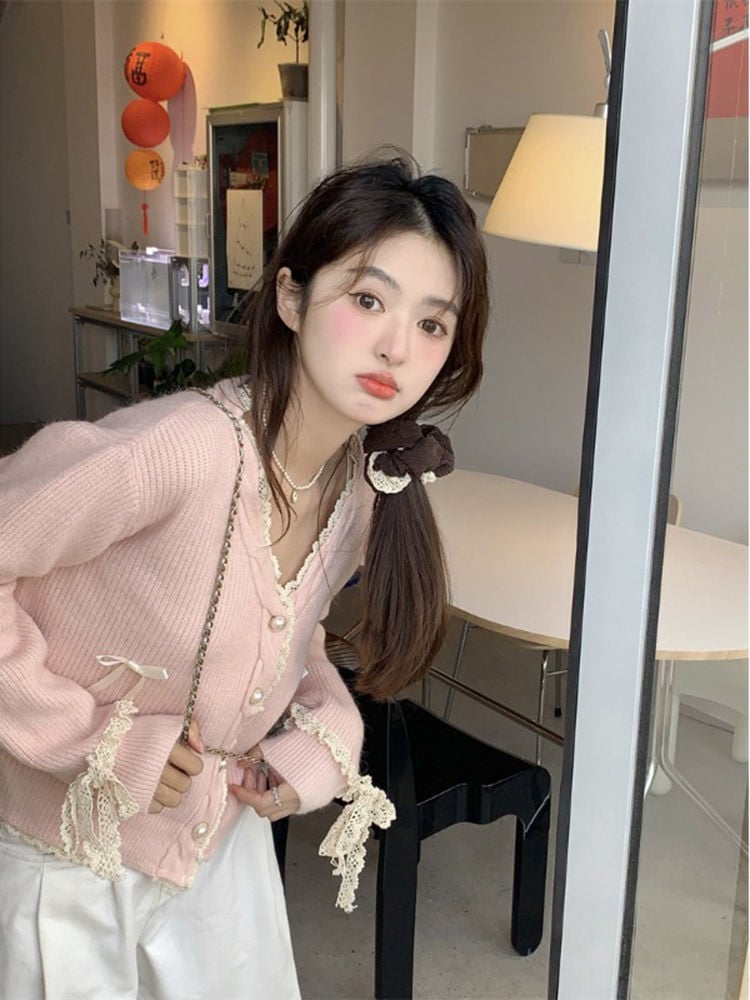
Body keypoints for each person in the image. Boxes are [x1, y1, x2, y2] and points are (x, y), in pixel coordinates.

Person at [0, 152, 489, 999]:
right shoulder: (179, 451)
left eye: (432, 325)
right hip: (67, 860)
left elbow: (290, 636)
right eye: (367, 301)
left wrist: (319, 742)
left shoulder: (359, 494)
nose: (397, 347)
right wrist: (98, 742)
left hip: (214, 860)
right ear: (292, 298)